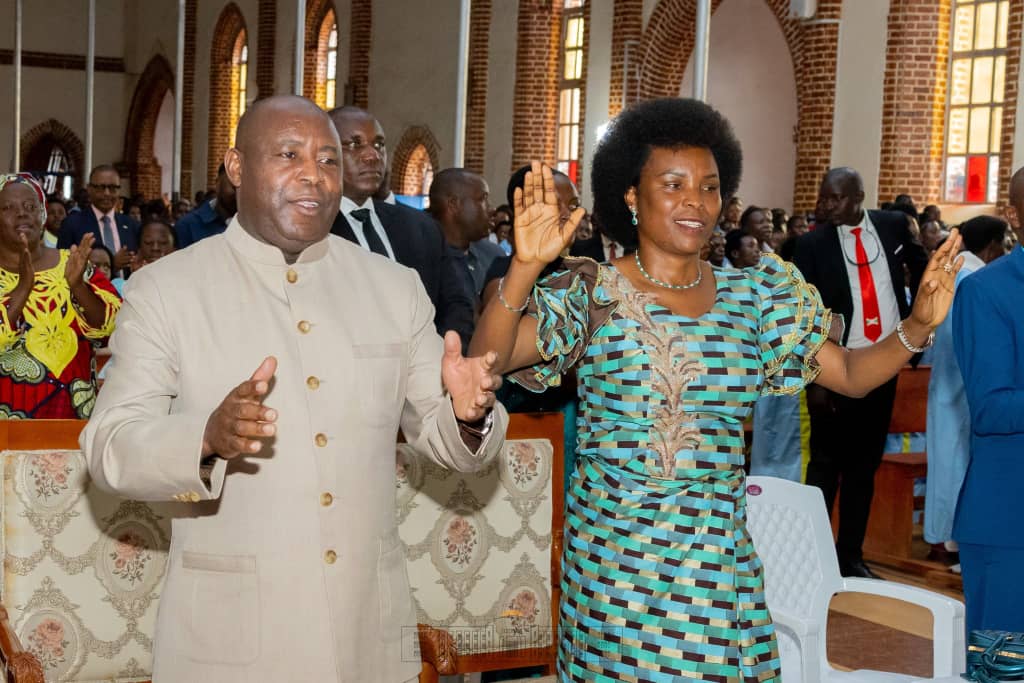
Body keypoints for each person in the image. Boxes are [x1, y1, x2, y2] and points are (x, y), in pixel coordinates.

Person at [469, 97, 961, 681]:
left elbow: (851, 376)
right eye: (673, 184)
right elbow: (489, 359)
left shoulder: (754, 298)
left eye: (708, 187)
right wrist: (525, 267)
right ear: (631, 193)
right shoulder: (594, 292)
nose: (694, 203)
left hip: (718, 570)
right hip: (618, 573)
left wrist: (918, 328)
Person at [81, 95, 508, 682]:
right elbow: (110, 446)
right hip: (232, 641)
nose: (314, 174)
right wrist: (202, 438)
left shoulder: (394, 288)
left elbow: (441, 432)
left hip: (367, 639)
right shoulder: (166, 290)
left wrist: (468, 412)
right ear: (236, 168)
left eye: (328, 160)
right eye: (289, 154)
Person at [792, 167, 929, 579]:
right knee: (825, 466)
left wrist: (918, 319)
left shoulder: (891, 226)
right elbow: (804, 314)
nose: (826, 206)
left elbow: (923, 265)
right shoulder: (812, 243)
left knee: (863, 466)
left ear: (859, 197)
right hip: (836, 369)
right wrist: (814, 379)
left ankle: (849, 556)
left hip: (884, 363)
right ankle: (810, 557)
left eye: (835, 198)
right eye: (823, 197)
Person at [327, 105, 474, 346]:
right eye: (354, 144)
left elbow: (457, 304)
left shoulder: (421, 227)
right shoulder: (314, 230)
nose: (372, 155)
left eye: (379, 145)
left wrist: (435, 362)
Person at [952, 167, 1024, 633]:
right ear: (1015, 215)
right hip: (1010, 521)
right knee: (1005, 669)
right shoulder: (987, 290)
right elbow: (992, 408)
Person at [0, 173, 121, 418]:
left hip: (74, 422)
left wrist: (78, 287)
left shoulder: (74, 262)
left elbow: (113, 329)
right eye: (8, 208)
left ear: (43, 215)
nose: (22, 213)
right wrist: (24, 287)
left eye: (30, 206)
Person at [924, 215, 1007, 568]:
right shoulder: (976, 278)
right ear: (991, 246)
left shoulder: (957, 273)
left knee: (949, 462)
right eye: (1002, 245)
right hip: (965, 385)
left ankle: (948, 539)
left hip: (950, 383)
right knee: (959, 465)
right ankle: (953, 542)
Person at [426, 168, 505, 297]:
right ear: (453, 205)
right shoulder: (419, 259)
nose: (492, 209)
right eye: (483, 199)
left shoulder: (494, 257)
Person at [57, 165, 139, 279]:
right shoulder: (72, 224)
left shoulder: (131, 225)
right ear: (89, 189)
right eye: (101, 187)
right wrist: (111, 265)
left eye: (112, 188)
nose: (107, 193)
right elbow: (62, 268)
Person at [175, 163, 237, 248]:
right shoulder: (187, 226)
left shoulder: (256, 227)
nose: (241, 194)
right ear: (217, 184)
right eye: (234, 186)